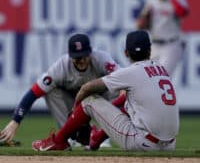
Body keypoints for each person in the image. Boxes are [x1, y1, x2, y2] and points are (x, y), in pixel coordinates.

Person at [32, 30, 179, 152]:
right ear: (150, 50)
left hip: (142, 143)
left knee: (89, 101)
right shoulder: (162, 70)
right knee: (130, 102)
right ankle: (96, 139)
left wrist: (75, 111)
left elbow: (86, 88)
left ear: (126, 53)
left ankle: (59, 142)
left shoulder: (131, 72)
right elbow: (124, 103)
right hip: (170, 146)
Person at [0, 33, 122, 147]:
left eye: (84, 55)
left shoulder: (102, 59)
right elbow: (34, 92)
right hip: (75, 102)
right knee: (51, 91)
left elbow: (123, 81)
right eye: (77, 57)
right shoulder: (61, 67)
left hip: (101, 99)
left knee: (115, 86)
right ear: (70, 56)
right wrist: (15, 121)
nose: (82, 60)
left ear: (90, 52)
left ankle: (103, 137)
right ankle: (70, 136)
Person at [136, 0, 189, 76]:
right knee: (147, 76)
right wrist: (144, 19)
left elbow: (182, 12)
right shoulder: (152, 3)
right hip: (154, 45)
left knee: (162, 76)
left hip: (171, 45)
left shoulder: (176, 1)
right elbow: (140, 25)